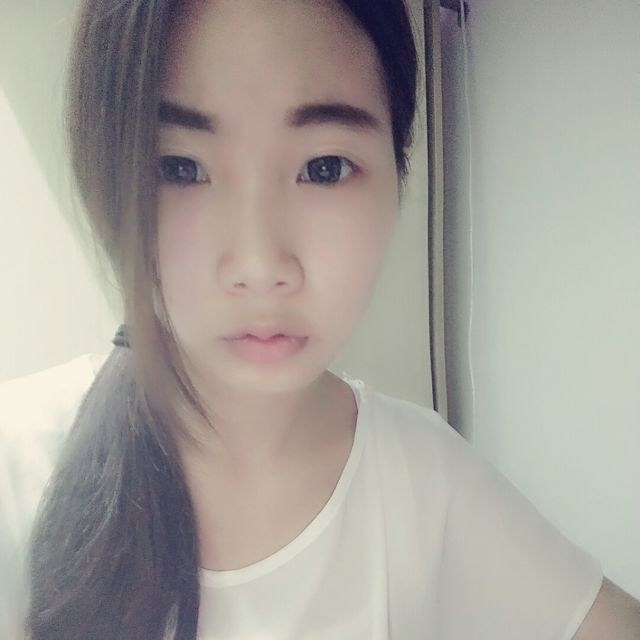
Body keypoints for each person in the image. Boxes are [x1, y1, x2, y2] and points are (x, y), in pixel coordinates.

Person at [1, 1, 639, 638]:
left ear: (397, 169)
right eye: (180, 168)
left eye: (324, 168)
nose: (260, 266)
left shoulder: (422, 479)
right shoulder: (17, 462)